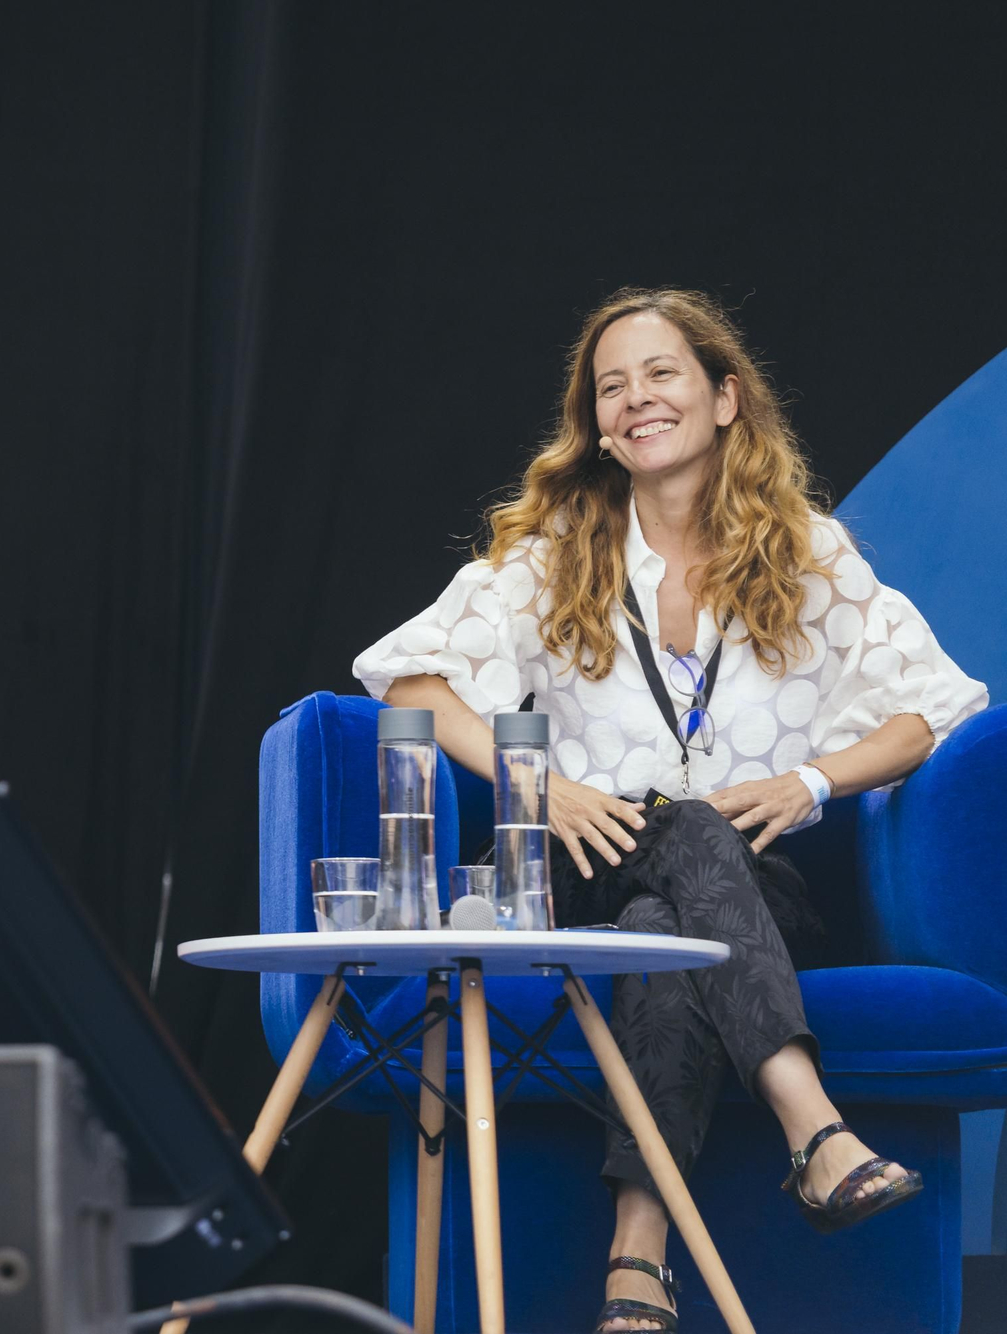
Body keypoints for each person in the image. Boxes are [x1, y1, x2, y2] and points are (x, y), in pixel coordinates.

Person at [353, 288, 987, 1332]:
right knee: (669, 832)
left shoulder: (805, 550)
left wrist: (810, 781)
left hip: (744, 887)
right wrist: (539, 788)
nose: (634, 399)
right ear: (594, 423)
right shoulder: (556, 546)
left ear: (724, 397)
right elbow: (410, 680)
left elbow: (930, 708)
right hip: (575, 868)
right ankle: (811, 1126)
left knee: (667, 913)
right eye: (610, 386)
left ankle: (634, 1258)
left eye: (659, 374)